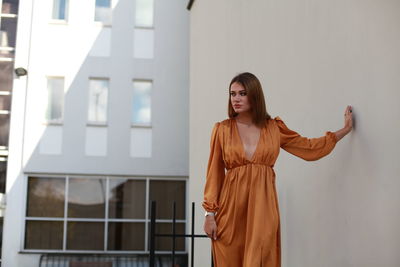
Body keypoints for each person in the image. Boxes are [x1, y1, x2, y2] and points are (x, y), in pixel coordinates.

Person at [202, 72, 353, 267]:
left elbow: (308, 148)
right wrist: (209, 215)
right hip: (231, 212)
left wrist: (344, 130)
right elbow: (214, 174)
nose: (236, 99)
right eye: (232, 94)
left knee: (260, 257)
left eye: (242, 93)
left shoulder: (274, 128)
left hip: (263, 210)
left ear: (255, 95)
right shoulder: (222, 129)